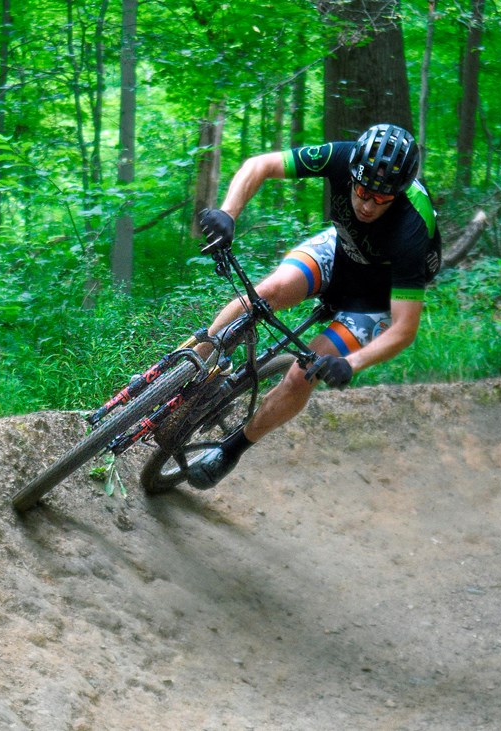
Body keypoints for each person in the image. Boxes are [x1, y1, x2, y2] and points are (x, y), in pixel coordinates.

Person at [187, 123, 442, 489]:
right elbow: (260, 165)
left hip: (373, 298)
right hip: (341, 252)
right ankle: (193, 366)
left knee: (303, 373)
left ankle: (232, 448)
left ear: (398, 194)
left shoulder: (412, 229)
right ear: (353, 170)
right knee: (267, 291)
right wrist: (228, 213)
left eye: (381, 199)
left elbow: (404, 328)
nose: (368, 205)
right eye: (362, 191)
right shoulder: (341, 155)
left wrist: (350, 363)